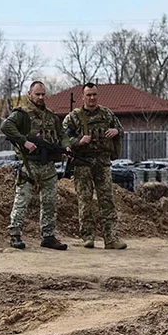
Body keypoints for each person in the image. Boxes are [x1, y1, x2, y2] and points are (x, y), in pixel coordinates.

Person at [1, 81, 69, 250]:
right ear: (30, 94)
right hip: (29, 165)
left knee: (50, 201)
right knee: (22, 200)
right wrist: (24, 142)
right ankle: (15, 234)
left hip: (48, 166)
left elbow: (62, 134)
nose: (40, 97)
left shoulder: (51, 116)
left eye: (43, 94)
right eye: (37, 94)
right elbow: (6, 126)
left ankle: (48, 236)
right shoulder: (22, 114)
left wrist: (66, 147)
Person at [63, 83, 127, 250]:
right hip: (82, 164)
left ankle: (111, 238)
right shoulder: (73, 117)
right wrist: (78, 141)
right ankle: (88, 236)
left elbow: (120, 129)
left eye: (94, 95)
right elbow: (62, 140)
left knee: (107, 201)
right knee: (85, 201)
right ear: (83, 97)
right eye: (88, 95)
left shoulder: (107, 114)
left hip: (102, 163)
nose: (92, 98)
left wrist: (116, 132)